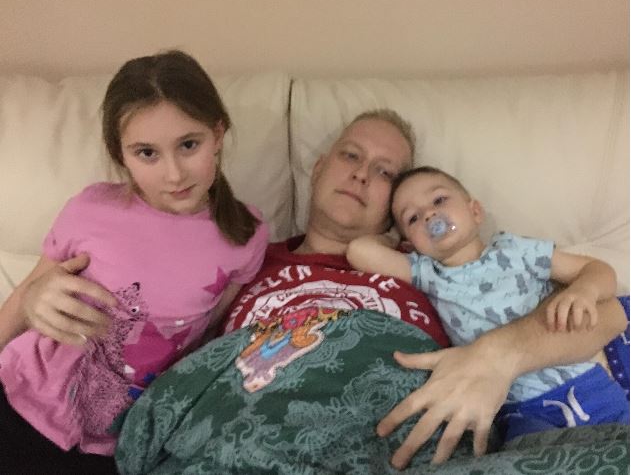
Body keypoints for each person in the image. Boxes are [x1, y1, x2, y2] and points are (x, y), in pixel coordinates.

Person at [10, 109, 628, 470]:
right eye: (350, 156)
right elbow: (150, 313)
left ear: (399, 208)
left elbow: (604, 318)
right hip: (244, 417)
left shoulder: (434, 269)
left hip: (396, 435)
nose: (361, 174)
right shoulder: (244, 258)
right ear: (318, 165)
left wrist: (499, 355)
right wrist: (39, 296)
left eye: (384, 172)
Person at [0, 50, 269, 472]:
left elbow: (208, 337)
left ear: (218, 134)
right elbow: (26, 297)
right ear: (120, 155)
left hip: (120, 442)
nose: (174, 174)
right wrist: (36, 298)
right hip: (20, 398)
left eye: (189, 145)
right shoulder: (90, 208)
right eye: (147, 153)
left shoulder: (246, 235)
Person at [346, 165, 629, 443]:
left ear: (475, 211)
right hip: (518, 408)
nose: (429, 214)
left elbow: (598, 270)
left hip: (584, 381)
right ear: (411, 244)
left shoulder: (516, 250)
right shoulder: (427, 273)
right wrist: (392, 236)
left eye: (439, 200)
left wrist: (583, 290)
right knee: (533, 458)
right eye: (413, 218)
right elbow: (359, 251)